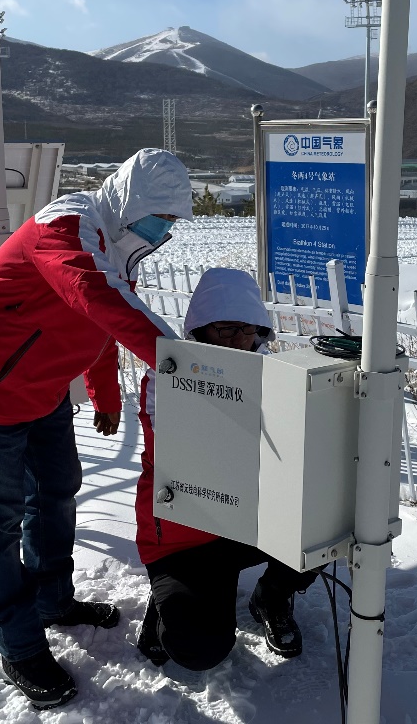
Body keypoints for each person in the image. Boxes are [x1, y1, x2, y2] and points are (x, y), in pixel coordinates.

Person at [0, 148, 192, 711]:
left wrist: (105, 393)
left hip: (39, 391)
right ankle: (19, 646)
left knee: (54, 494)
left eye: (171, 220)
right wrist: (185, 364)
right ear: (129, 200)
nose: (164, 229)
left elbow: (96, 318)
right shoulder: (65, 226)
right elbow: (92, 294)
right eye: (160, 215)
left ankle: (52, 601)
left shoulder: (115, 248)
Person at [132, 267, 320, 674]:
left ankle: (271, 596)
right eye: (227, 329)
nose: (240, 340)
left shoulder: (275, 377)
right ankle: (166, 604)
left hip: (251, 522)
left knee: (330, 523)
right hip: (187, 536)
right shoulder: (167, 378)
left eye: (250, 330)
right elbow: (196, 449)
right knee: (199, 648)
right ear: (200, 329)